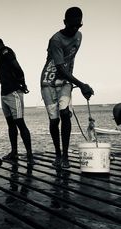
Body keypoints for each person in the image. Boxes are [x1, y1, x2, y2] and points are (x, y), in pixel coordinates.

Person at [40, 7, 94, 168]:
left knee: (65, 113)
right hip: (48, 82)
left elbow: (67, 66)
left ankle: (65, 156)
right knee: (54, 119)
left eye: (78, 25)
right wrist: (82, 85)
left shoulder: (79, 36)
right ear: (65, 23)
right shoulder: (55, 40)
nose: (75, 29)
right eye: (72, 26)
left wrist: (74, 83)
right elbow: (61, 68)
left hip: (65, 81)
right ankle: (57, 154)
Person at [0, 38, 34, 164]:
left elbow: (18, 68)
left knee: (20, 123)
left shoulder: (6, 51)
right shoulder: (0, 56)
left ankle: (30, 155)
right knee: (10, 124)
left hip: (14, 92)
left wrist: (22, 83)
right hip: (4, 93)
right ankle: (14, 152)